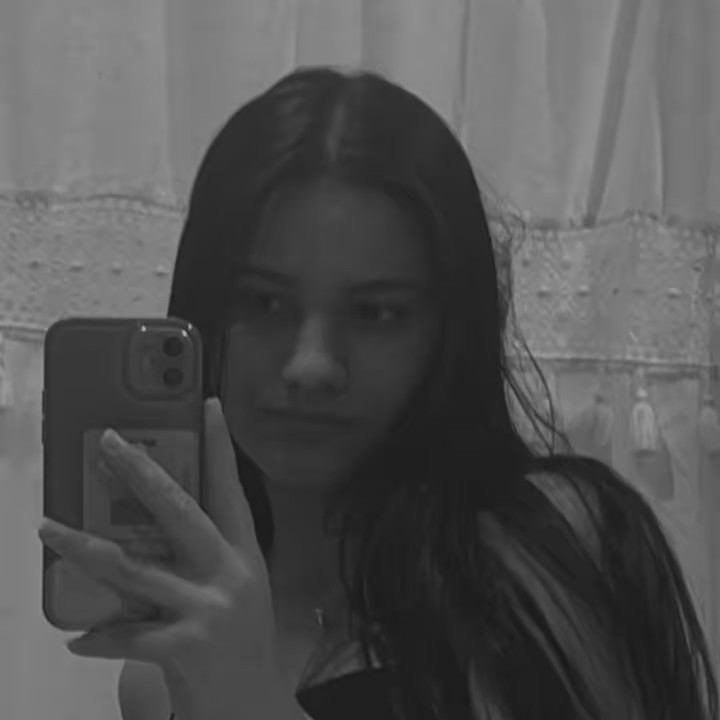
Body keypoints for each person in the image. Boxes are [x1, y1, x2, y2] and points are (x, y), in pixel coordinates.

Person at [69, 67, 720, 718]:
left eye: (375, 313)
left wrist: (247, 697)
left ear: (446, 331)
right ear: (203, 313)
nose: (311, 366)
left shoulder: (550, 549)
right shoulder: (162, 670)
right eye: (263, 302)